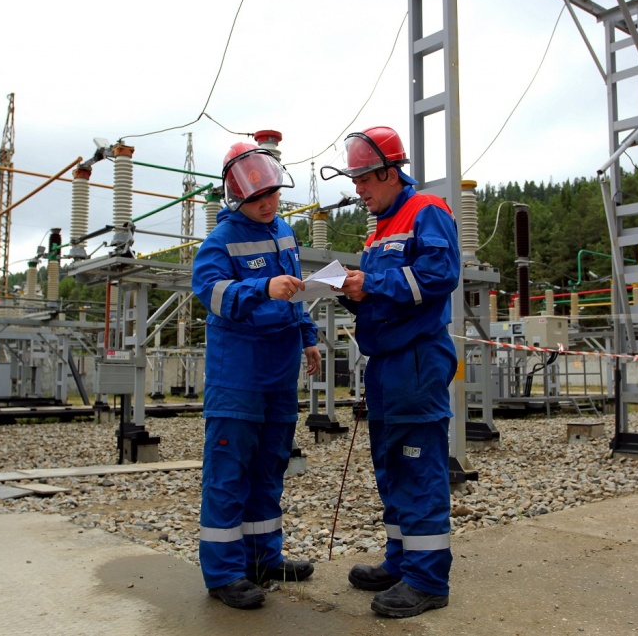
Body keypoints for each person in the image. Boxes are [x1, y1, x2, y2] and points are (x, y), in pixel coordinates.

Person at [321, 126, 460, 618]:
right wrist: (350, 290)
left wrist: (372, 283)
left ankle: (427, 580)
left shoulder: (426, 211)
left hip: (416, 359)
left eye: (363, 179)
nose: (358, 190)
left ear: (388, 172)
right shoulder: (379, 227)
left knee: (417, 462)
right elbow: (384, 291)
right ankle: (403, 559)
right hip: (386, 363)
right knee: (392, 463)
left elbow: (440, 278)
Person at [192, 142, 322, 609]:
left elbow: (296, 293)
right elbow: (210, 293)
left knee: (270, 468)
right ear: (238, 195)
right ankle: (224, 573)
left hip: (280, 371)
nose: (270, 203)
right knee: (229, 474)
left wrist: (307, 335)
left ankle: (263, 557)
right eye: (260, 197)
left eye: (273, 194)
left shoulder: (284, 232)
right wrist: (260, 286)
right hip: (239, 376)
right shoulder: (220, 240)